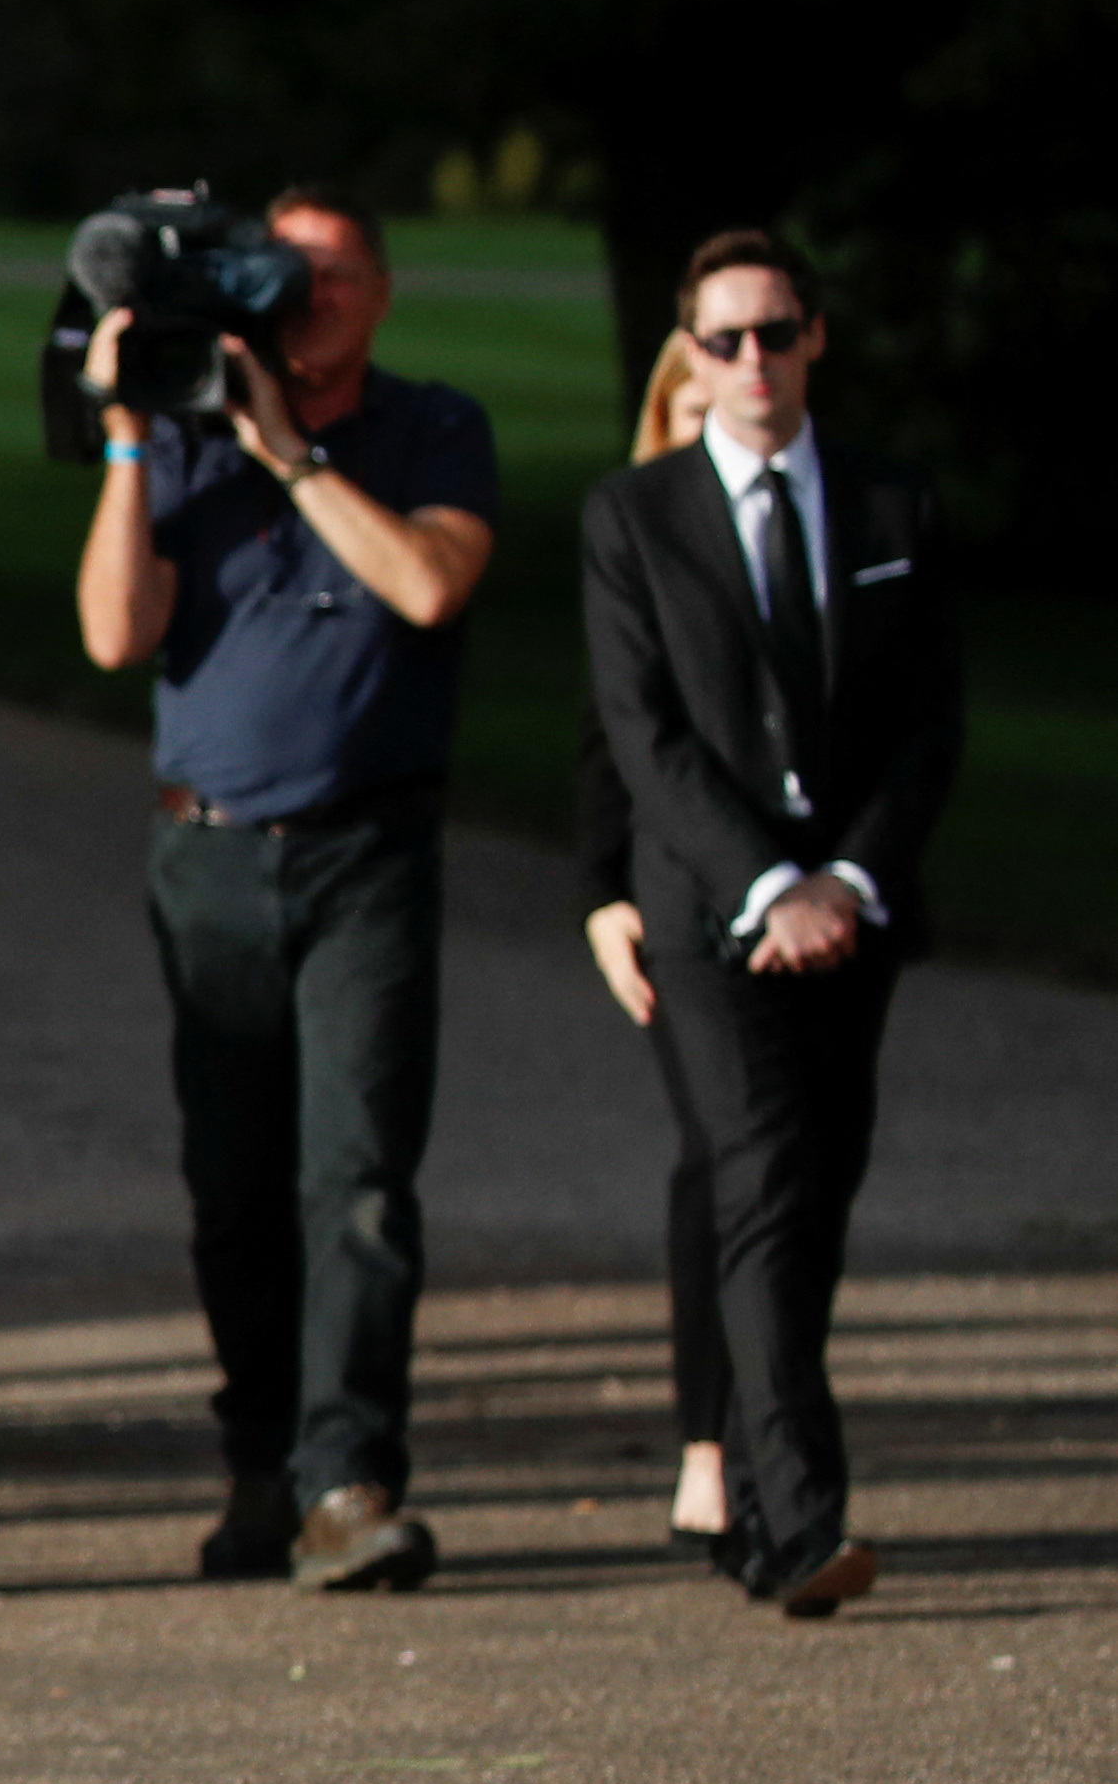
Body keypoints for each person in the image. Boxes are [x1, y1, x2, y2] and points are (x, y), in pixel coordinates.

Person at [74, 185, 498, 1593]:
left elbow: (429, 586)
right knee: (233, 1189)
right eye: (280, 275)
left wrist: (292, 453)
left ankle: (348, 1475)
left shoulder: (430, 427)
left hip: (363, 851)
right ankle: (262, 1458)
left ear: (377, 289)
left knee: (358, 1182)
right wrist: (131, 434)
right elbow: (111, 632)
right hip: (204, 855)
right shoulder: (184, 434)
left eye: (327, 274)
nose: (302, 298)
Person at [583, 227, 962, 1620]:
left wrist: (845, 883)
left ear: (813, 339)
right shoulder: (633, 516)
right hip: (708, 912)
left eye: (775, 331)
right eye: (725, 338)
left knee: (816, 1193)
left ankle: (746, 1495)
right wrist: (762, 886)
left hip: (850, 911)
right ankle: (802, 1520)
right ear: (689, 353)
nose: (753, 360)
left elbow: (926, 725)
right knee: (757, 1181)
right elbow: (644, 734)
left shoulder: (888, 505)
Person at [577, 341, 730, 1550]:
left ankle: (759, 1424)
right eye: (685, 399)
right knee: (717, 1152)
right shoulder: (627, 545)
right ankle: (712, 1441)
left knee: (783, 1165)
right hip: (667, 890)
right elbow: (608, 738)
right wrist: (602, 890)